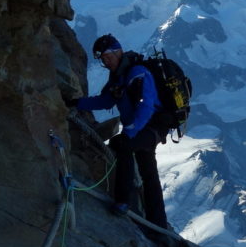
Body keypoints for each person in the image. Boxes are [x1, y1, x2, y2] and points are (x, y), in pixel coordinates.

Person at [67, 34, 170, 230]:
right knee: (148, 173)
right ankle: (158, 224)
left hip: (152, 127)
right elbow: (106, 100)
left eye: (108, 56)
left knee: (122, 146)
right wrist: (77, 102)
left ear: (118, 51)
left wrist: (129, 133)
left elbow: (146, 106)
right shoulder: (119, 77)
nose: (106, 61)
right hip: (144, 129)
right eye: (103, 59)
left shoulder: (137, 72)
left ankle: (124, 202)